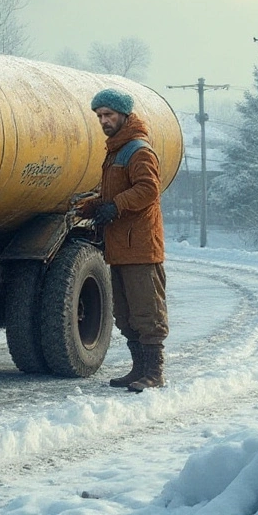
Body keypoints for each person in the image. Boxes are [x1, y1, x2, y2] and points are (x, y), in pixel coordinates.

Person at [76, 87, 168, 392]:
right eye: (100, 115)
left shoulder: (138, 149)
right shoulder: (116, 150)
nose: (103, 120)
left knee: (147, 312)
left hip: (141, 246)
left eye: (108, 115)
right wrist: (95, 204)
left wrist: (115, 206)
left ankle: (154, 373)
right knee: (126, 315)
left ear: (123, 115)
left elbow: (149, 189)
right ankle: (138, 370)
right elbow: (118, 191)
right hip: (120, 247)